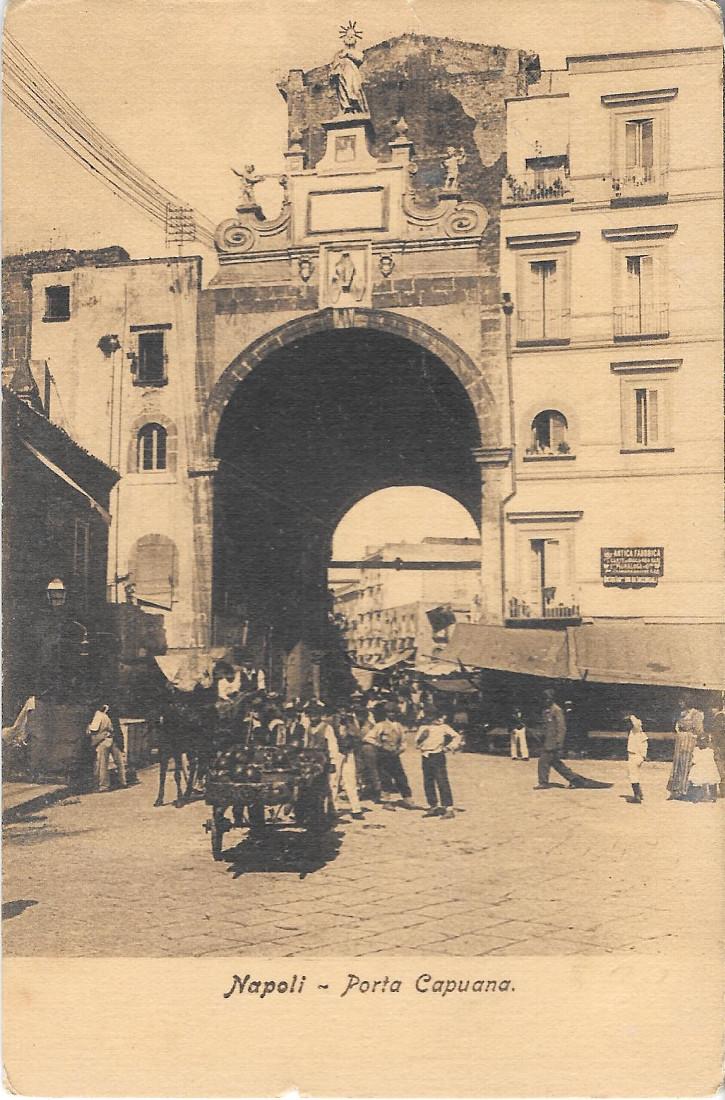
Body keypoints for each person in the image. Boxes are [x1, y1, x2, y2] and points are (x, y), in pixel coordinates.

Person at [534, 689, 611, 790]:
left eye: (547, 699)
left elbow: (561, 727)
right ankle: (575, 780)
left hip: (553, 742)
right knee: (556, 763)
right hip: (548, 741)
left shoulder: (557, 710)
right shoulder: (546, 711)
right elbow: (546, 727)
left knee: (543, 761)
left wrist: (559, 742)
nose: (545, 701)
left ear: (551, 699)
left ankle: (543, 782)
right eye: (544, 699)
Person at [415, 709, 461, 819]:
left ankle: (448, 807)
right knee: (428, 781)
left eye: (433, 716)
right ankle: (433, 806)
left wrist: (449, 747)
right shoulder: (423, 728)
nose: (431, 719)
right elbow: (417, 742)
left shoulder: (443, 727)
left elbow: (457, 736)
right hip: (425, 755)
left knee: (441, 781)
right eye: (428, 716)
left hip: (437, 755)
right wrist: (422, 737)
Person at [372, 702, 414, 807]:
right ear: (385, 714)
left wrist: (401, 749)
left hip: (395, 754)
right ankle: (386, 801)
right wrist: (380, 745)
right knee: (385, 777)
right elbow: (368, 738)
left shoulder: (399, 726)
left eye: (393, 712)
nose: (392, 714)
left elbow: (404, 741)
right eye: (389, 712)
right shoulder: (380, 725)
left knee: (400, 776)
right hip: (383, 754)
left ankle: (407, 798)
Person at [667, 697, 703, 800]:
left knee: (686, 764)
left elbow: (699, 730)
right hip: (680, 741)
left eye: (682, 701)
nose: (680, 703)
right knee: (678, 764)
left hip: (689, 741)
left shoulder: (696, 714)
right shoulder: (680, 713)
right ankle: (676, 790)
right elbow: (676, 727)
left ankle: (686, 791)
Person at [87, 703, 127, 792]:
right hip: (114, 740)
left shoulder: (98, 716)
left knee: (103, 764)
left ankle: (104, 786)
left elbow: (93, 730)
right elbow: (118, 729)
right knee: (119, 762)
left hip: (104, 741)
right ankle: (123, 782)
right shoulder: (112, 716)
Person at [687, 732, 720, 802]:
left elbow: (715, 758)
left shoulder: (710, 750)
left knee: (712, 782)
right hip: (700, 768)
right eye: (700, 742)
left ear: (708, 742)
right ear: (697, 742)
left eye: (704, 742)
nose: (702, 744)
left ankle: (713, 796)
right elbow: (694, 760)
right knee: (696, 782)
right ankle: (696, 796)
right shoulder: (696, 750)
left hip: (708, 768)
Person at [625, 711, 648, 803]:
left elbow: (635, 722)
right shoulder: (640, 734)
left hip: (634, 755)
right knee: (635, 774)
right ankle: (639, 793)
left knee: (633, 775)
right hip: (637, 756)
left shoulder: (636, 731)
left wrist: (631, 716)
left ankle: (637, 796)